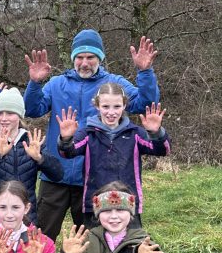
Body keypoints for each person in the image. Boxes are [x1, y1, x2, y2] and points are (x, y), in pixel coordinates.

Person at [24, 29, 160, 241]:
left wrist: (145, 72)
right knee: (41, 238)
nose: (84, 62)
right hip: (54, 174)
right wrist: (35, 83)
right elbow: (32, 109)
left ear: (100, 58)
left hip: (92, 180)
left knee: (93, 241)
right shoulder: (57, 84)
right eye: (79, 57)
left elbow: (145, 104)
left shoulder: (112, 84)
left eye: (90, 57)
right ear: (73, 59)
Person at [56, 83, 170, 228]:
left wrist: (156, 133)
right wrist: (65, 139)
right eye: (105, 107)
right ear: (97, 106)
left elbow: (162, 150)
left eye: (117, 106)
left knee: (130, 247)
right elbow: (67, 153)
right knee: (96, 247)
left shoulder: (135, 133)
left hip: (128, 204)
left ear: (124, 106)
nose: (111, 112)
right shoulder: (88, 133)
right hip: (95, 204)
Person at [0, 88, 63, 229]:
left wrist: (39, 158)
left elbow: (58, 174)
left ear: (20, 115)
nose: (4, 118)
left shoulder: (32, 141)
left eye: (10, 113)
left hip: (26, 217)